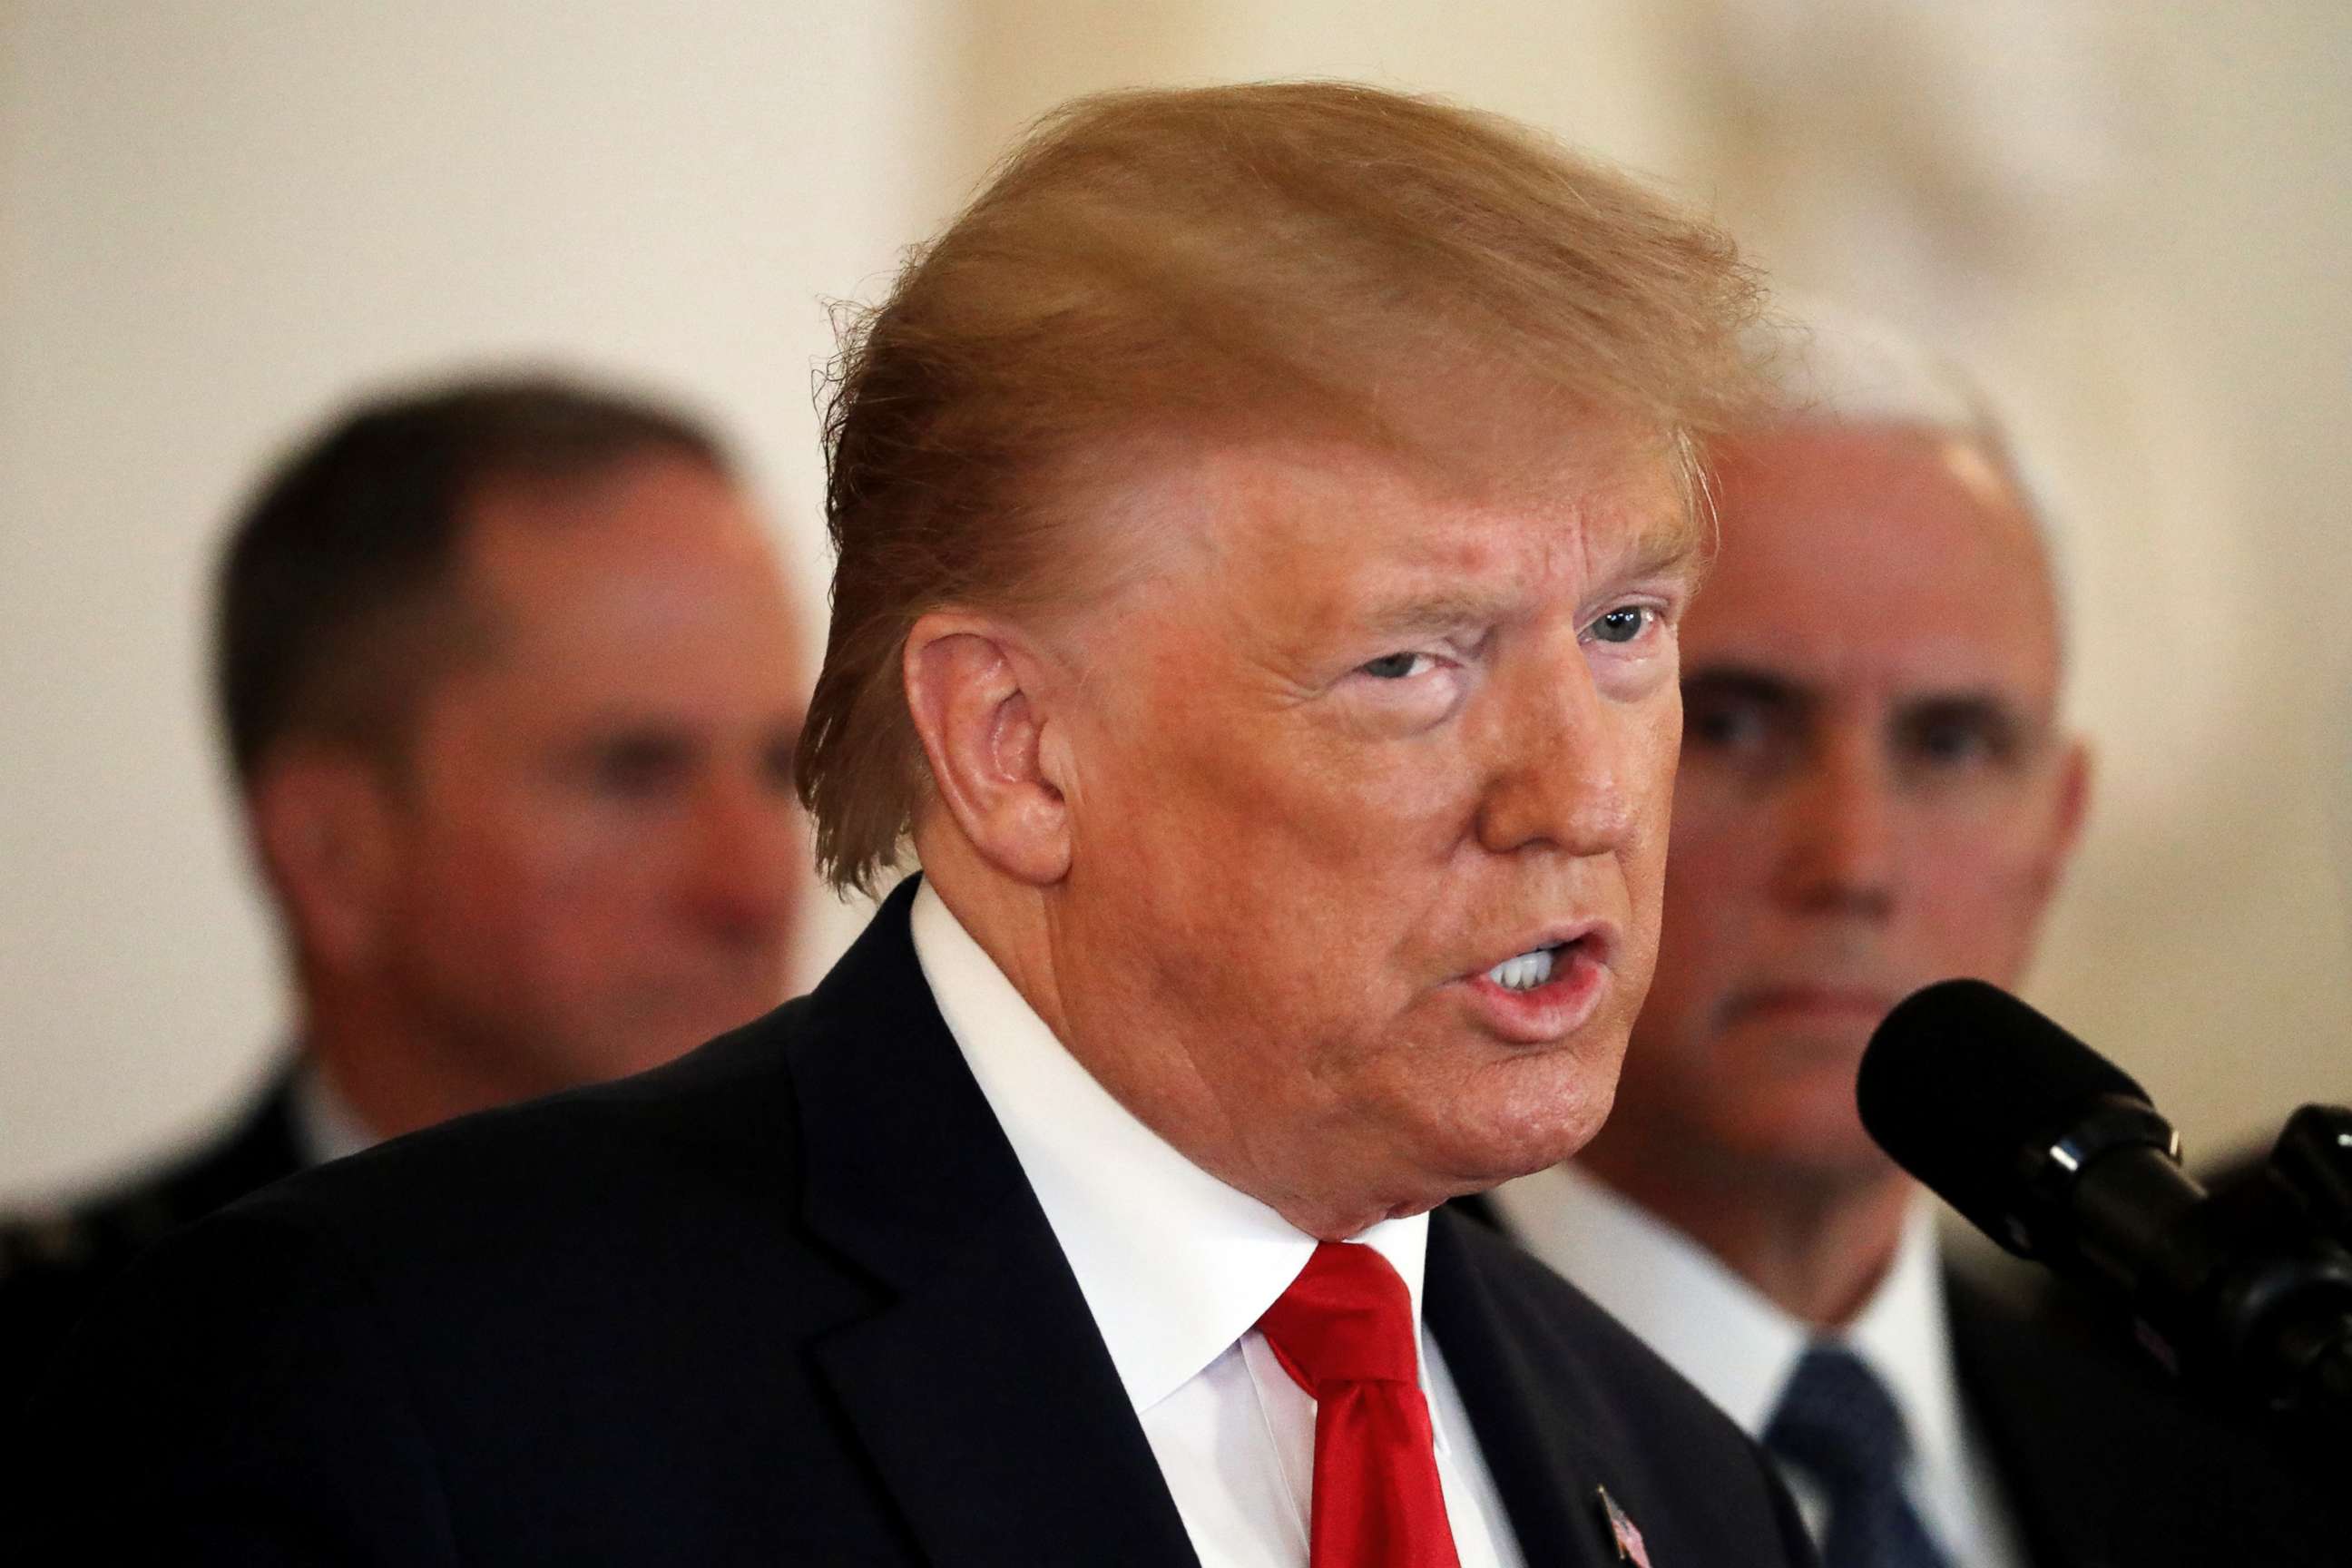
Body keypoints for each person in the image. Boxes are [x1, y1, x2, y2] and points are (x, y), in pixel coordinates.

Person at [23, 84, 1815, 1564]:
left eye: (1624, 629)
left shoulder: (1694, 1492)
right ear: (1016, 748)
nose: (1582, 791)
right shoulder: (402, 1394)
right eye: (1415, 664)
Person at [1475, 308, 2340, 1566]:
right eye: (1731, 722)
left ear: (2056, 835)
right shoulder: (1340, 1401)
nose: (1853, 864)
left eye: (1949, 743)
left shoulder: (2235, 1490)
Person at [1, 377, 808, 1398]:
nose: (751, 887)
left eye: (781, 769)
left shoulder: (942, 1332)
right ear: (333, 854)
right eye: (630, 773)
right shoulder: (71, 1377)